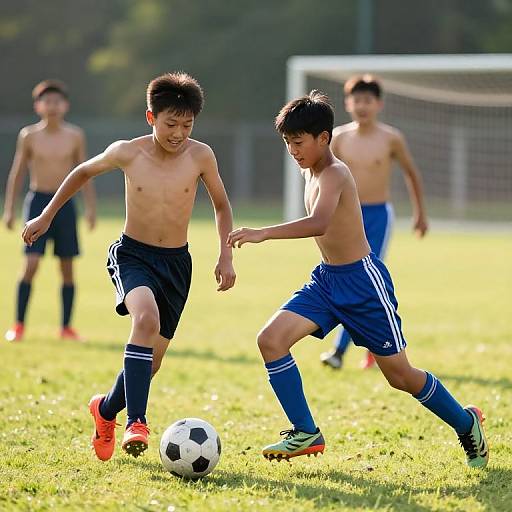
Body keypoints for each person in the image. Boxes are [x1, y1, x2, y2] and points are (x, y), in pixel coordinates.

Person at [227, 90, 488, 468]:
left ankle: (466, 424)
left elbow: (319, 222)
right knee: (270, 340)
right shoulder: (308, 170)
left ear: (323, 138)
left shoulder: (335, 172)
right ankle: (306, 432)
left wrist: (263, 232)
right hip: (326, 282)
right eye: (287, 143)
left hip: (363, 284)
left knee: (400, 376)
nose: (293, 151)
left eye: (298, 142)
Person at [22, 72, 236, 460]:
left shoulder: (201, 155)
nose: (179, 133)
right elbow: (82, 172)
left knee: (150, 363)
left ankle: (105, 410)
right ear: (151, 118)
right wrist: (47, 216)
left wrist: (225, 254)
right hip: (132, 256)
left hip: (177, 264)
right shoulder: (127, 151)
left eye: (187, 125)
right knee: (145, 320)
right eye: (171, 124)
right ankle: (136, 421)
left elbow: (221, 205)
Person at [320, 74, 428, 371]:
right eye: (357, 100)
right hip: (343, 217)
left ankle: (341, 350)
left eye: (368, 100)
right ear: (348, 103)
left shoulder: (391, 138)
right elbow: (321, 176)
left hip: (378, 215)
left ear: (378, 104)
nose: (362, 105)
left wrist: (420, 212)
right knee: (342, 275)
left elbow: (411, 173)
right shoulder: (338, 137)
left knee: (364, 278)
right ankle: (374, 346)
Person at [3, 79, 96, 342]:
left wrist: (90, 208)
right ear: (38, 106)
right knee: (31, 264)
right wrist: (9, 209)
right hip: (37, 202)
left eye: (57, 101)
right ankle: (18, 325)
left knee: (67, 268)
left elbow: (84, 173)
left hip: (65, 206)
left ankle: (66, 327)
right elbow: (18, 172)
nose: (52, 106)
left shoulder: (75, 135)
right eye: (47, 101)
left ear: (65, 106)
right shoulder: (29, 135)